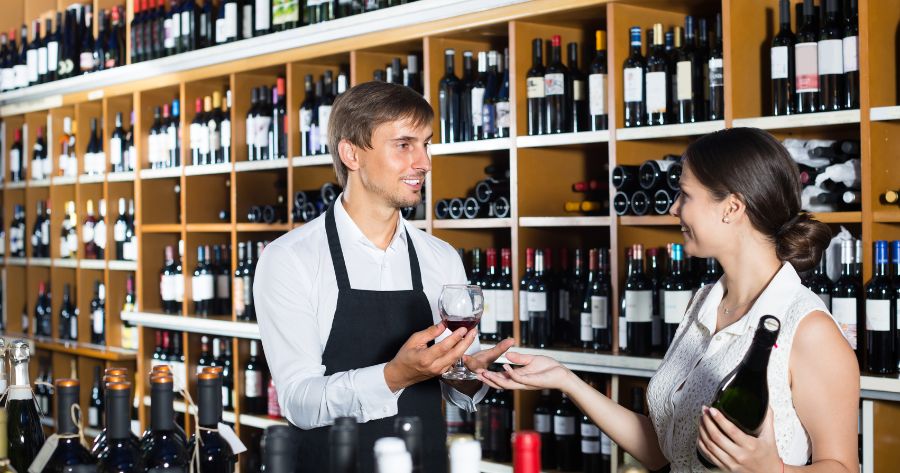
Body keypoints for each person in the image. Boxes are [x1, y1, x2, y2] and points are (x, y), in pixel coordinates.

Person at [480, 128, 859, 472]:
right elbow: (668, 451)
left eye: (686, 194)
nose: (672, 207)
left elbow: (843, 466)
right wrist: (567, 380)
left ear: (732, 207)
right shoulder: (704, 303)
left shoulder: (808, 329)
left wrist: (771, 471)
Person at [254, 81, 514, 472]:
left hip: (424, 462)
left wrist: (465, 374)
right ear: (351, 153)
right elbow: (299, 402)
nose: (424, 162)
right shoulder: (290, 259)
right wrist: (393, 376)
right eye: (405, 144)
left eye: (426, 144)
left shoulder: (440, 258)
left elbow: (450, 383)